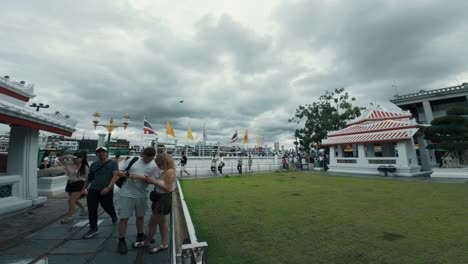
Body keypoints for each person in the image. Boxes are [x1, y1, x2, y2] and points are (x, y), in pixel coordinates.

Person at [132, 153, 176, 254]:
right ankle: (164, 243)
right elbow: (162, 184)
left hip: (163, 199)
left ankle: (146, 242)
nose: (158, 166)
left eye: (159, 164)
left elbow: (168, 189)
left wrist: (154, 181)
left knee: (152, 223)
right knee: (162, 222)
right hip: (160, 198)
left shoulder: (169, 172)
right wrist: (152, 180)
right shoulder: (165, 171)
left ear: (163, 162)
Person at [117, 147, 158, 254]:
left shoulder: (153, 165)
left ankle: (140, 235)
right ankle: (121, 240)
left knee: (140, 216)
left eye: (150, 158)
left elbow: (153, 181)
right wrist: (125, 174)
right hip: (127, 193)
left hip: (142, 194)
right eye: (146, 158)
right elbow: (119, 171)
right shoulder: (132, 159)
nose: (148, 160)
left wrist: (140, 177)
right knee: (124, 217)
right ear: (142, 154)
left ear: (153, 157)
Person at [83, 146, 119, 239]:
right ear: (96, 154)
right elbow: (89, 177)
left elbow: (115, 176)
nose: (101, 153)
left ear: (107, 153)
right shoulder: (94, 164)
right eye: (99, 152)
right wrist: (84, 188)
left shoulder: (113, 163)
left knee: (107, 206)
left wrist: (108, 187)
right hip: (93, 189)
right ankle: (93, 228)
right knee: (92, 209)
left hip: (106, 189)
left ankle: (113, 214)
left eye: (103, 151)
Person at [59, 151, 89, 223]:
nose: (75, 159)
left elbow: (87, 179)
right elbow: (60, 159)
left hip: (80, 184)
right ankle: (84, 208)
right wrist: (67, 155)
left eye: (77, 158)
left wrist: (84, 189)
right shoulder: (69, 164)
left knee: (71, 200)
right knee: (73, 200)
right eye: (74, 158)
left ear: (82, 158)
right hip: (70, 183)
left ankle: (69, 216)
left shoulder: (85, 167)